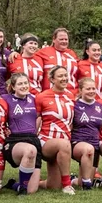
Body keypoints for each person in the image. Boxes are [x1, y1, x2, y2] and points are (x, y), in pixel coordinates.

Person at [36, 66, 76, 194]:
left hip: (64, 141)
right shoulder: (41, 97)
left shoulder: (71, 96)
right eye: (60, 76)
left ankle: (33, 183)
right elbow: (36, 119)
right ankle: (67, 184)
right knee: (63, 144)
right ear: (52, 79)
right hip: (47, 140)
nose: (64, 78)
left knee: (53, 186)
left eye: (65, 75)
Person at [0, 73, 42, 196]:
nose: (24, 86)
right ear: (13, 87)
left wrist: (36, 131)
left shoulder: (35, 99)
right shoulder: (5, 99)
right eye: (20, 84)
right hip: (15, 140)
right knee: (30, 150)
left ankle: (14, 184)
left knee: (32, 190)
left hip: (33, 139)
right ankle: (22, 189)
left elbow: (40, 116)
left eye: (25, 83)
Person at [71, 77, 102, 190]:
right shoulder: (74, 105)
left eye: (93, 88)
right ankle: (87, 185)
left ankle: (74, 180)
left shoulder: (99, 106)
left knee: (81, 181)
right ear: (80, 90)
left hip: (94, 145)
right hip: (78, 142)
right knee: (87, 149)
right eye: (88, 89)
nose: (91, 91)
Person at [35, 29, 79, 93]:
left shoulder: (72, 54)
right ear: (54, 39)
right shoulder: (43, 52)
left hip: (71, 94)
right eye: (61, 39)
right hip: (49, 95)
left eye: (66, 39)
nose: (64, 41)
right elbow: (27, 57)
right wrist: (15, 54)